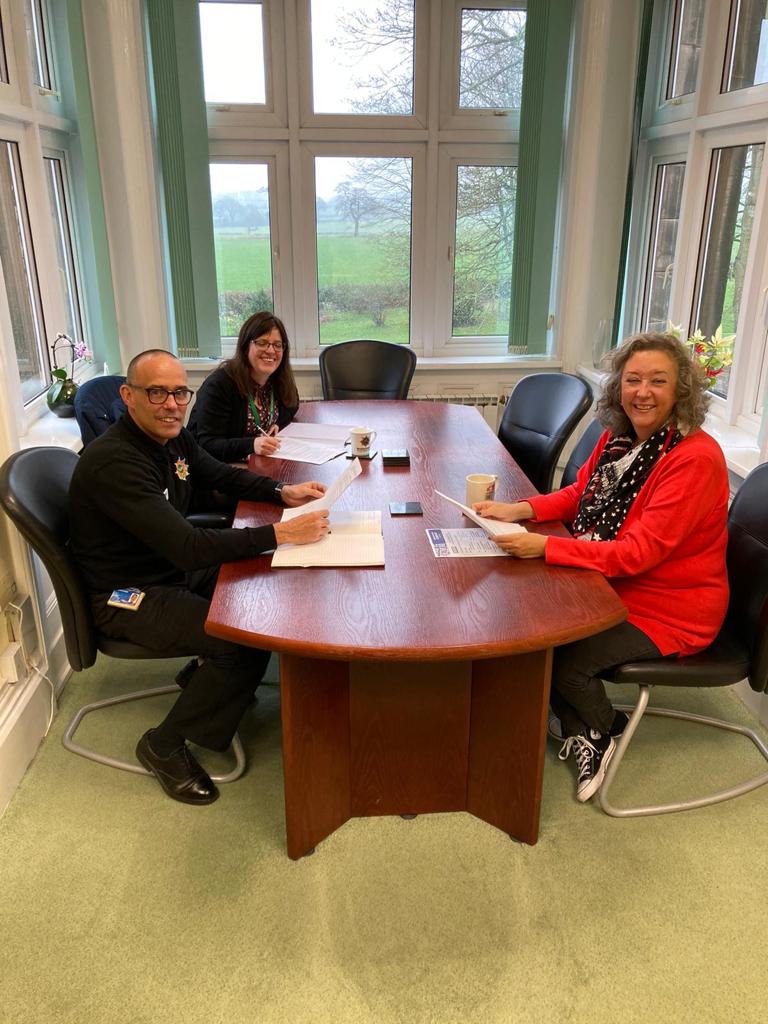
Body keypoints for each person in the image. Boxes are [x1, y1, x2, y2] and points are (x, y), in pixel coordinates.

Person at [474, 332, 730, 802]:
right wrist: (521, 510)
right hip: (611, 581)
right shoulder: (621, 438)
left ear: (682, 391)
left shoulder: (695, 459)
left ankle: (605, 728)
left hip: (669, 607)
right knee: (532, 627)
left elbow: (638, 554)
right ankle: (576, 720)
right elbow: (580, 494)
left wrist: (545, 549)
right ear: (619, 387)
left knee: (563, 659)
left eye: (658, 381)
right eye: (633, 380)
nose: (642, 391)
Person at [68, 349, 330, 807]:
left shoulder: (172, 438)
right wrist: (282, 533)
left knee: (259, 594)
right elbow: (187, 546)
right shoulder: (115, 462)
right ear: (129, 396)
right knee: (239, 637)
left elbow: (218, 476)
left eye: (179, 392)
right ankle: (164, 744)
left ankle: (204, 678)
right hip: (125, 594)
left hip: (167, 569)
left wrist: (279, 491)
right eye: (157, 393)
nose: (172, 404)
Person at [188, 311, 299, 462]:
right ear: (246, 345)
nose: (271, 350)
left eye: (277, 345)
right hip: (218, 468)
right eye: (262, 343)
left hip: (256, 463)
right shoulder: (219, 385)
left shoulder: (276, 378)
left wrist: (278, 424)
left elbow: (292, 404)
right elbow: (207, 445)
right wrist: (251, 445)